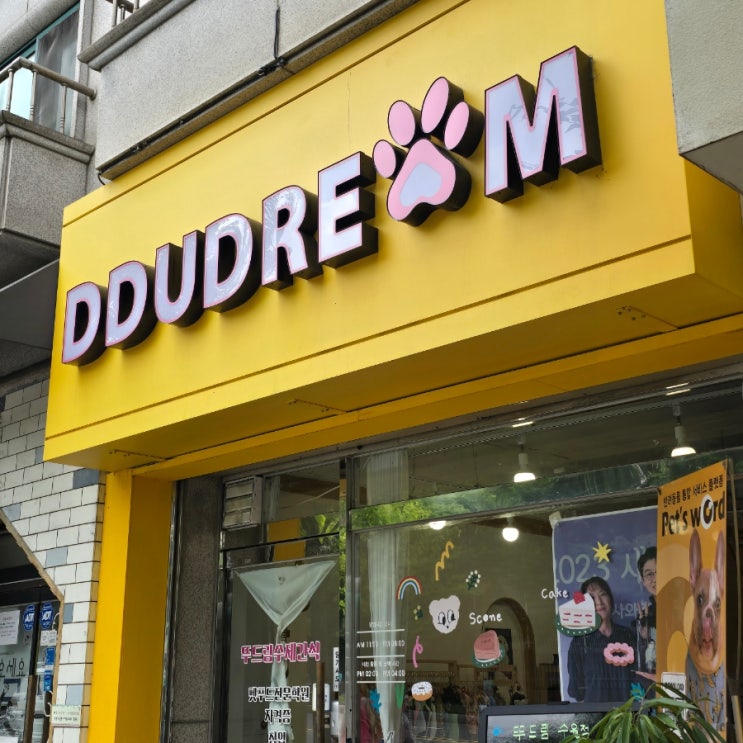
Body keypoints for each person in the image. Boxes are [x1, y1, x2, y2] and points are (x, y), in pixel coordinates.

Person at [567, 576, 636, 702]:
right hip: (595, 714)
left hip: (627, 713)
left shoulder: (628, 636)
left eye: (603, 594)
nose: (598, 602)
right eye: (591, 598)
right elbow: (577, 692)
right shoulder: (579, 642)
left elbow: (639, 681)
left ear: (610, 599)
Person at [635, 547, 657, 674]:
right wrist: (644, 639)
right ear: (643, 581)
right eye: (649, 574)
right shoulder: (644, 616)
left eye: (661, 571)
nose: (655, 579)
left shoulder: (685, 608)